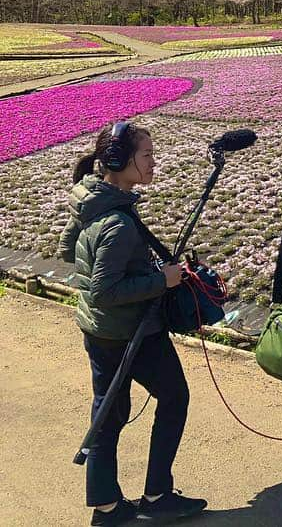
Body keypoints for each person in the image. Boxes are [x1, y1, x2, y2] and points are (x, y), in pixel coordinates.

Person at [59, 122, 207, 525]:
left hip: (100, 329)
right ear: (118, 162)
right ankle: (157, 494)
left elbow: (68, 249)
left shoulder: (93, 202)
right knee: (174, 398)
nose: (154, 163)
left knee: (109, 412)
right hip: (132, 331)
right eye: (146, 156)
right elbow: (106, 289)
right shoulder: (118, 222)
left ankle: (106, 506)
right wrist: (162, 280)